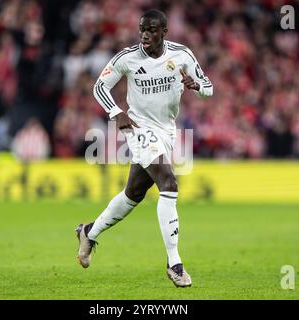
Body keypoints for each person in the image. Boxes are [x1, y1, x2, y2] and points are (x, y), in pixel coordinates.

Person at [76, 9, 213, 287]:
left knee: (133, 194)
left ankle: (89, 232)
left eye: (151, 30)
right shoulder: (127, 58)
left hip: (166, 131)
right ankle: (174, 264)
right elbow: (99, 87)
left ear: (165, 32)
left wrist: (195, 85)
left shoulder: (182, 55)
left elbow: (209, 88)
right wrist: (116, 113)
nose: (145, 35)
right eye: (142, 29)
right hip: (137, 129)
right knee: (169, 183)